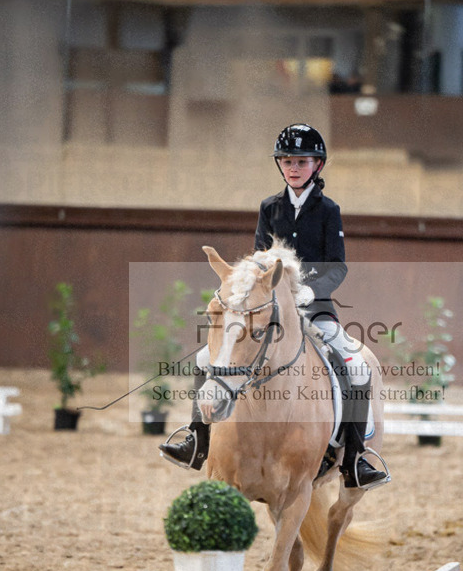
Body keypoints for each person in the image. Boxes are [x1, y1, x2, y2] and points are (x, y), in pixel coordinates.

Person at [159, 123, 389, 490]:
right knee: (206, 358)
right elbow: (258, 261)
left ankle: (355, 459)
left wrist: (311, 292)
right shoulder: (270, 208)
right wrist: (249, 291)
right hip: (267, 310)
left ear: (317, 165)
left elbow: (338, 265)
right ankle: (196, 440)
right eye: (286, 161)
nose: (293, 167)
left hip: (315, 309)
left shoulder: (329, 210)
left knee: (356, 365)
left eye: (301, 161)